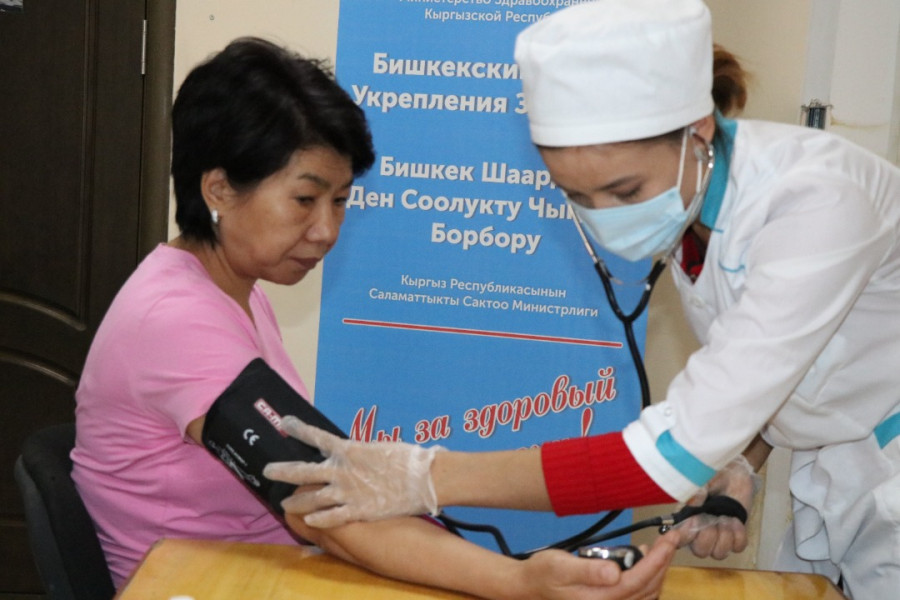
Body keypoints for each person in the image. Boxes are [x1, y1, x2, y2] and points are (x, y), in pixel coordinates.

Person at [263, 2, 900, 599]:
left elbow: (662, 458)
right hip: (837, 476)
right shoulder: (698, 207)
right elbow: (773, 363)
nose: (608, 219)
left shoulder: (815, 204)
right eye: (577, 197)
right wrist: (739, 466)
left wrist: (426, 476)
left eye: (625, 192)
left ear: (698, 131)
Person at [70, 36, 679, 599]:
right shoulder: (175, 320)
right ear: (219, 190)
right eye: (305, 200)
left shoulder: (234, 291)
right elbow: (320, 503)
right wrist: (518, 582)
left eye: (340, 202)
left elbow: (332, 485)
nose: (326, 230)